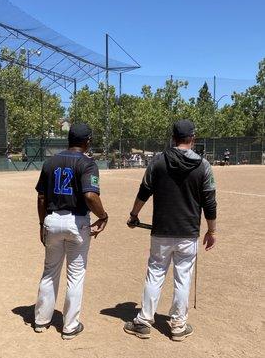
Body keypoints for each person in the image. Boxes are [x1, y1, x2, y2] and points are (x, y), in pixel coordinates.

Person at [124, 119, 217, 342]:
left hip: (161, 231)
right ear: (192, 138)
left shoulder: (157, 162)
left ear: (173, 138)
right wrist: (212, 230)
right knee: (183, 278)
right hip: (188, 232)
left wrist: (134, 215)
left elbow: (144, 191)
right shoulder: (203, 166)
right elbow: (210, 202)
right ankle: (178, 325)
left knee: (155, 274)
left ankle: (144, 321)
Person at [34, 123, 108, 340]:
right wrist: (103, 216)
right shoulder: (88, 163)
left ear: (68, 139)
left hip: (52, 220)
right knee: (75, 275)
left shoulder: (50, 161)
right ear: (87, 141)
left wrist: (41, 224)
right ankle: (69, 326)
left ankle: (41, 320)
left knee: (50, 272)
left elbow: (41, 197)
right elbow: (90, 196)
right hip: (77, 222)